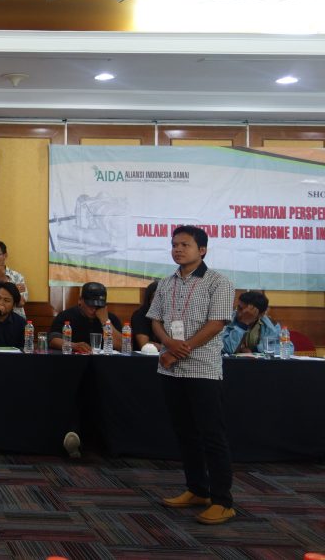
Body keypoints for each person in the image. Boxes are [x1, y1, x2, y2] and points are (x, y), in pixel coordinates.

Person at [147, 225, 235, 525]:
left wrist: (180, 349)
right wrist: (167, 343)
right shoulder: (165, 283)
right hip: (170, 369)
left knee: (212, 436)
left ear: (202, 250)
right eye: (175, 244)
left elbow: (217, 323)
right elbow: (155, 320)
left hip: (203, 370)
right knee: (186, 433)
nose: (178, 249)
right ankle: (197, 489)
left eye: (185, 244)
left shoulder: (218, 282)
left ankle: (223, 501)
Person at [49, 281, 122, 353]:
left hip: (103, 359)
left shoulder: (111, 318)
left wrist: (105, 321)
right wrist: (74, 346)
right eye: (90, 305)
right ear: (80, 300)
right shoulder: (66, 316)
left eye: (98, 306)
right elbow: (52, 340)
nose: (94, 309)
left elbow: (121, 345)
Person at [220, 291, 281, 355]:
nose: (239, 313)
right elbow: (227, 349)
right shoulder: (226, 320)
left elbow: (281, 348)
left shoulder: (271, 325)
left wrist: (255, 349)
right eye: (239, 308)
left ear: (261, 314)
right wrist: (243, 323)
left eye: (248, 313)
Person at [131, 281, 160, 349]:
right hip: (146, 355)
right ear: (149, 299)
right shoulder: (140, 315)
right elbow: (144, 345)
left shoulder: (172, 314)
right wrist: (169, 347)